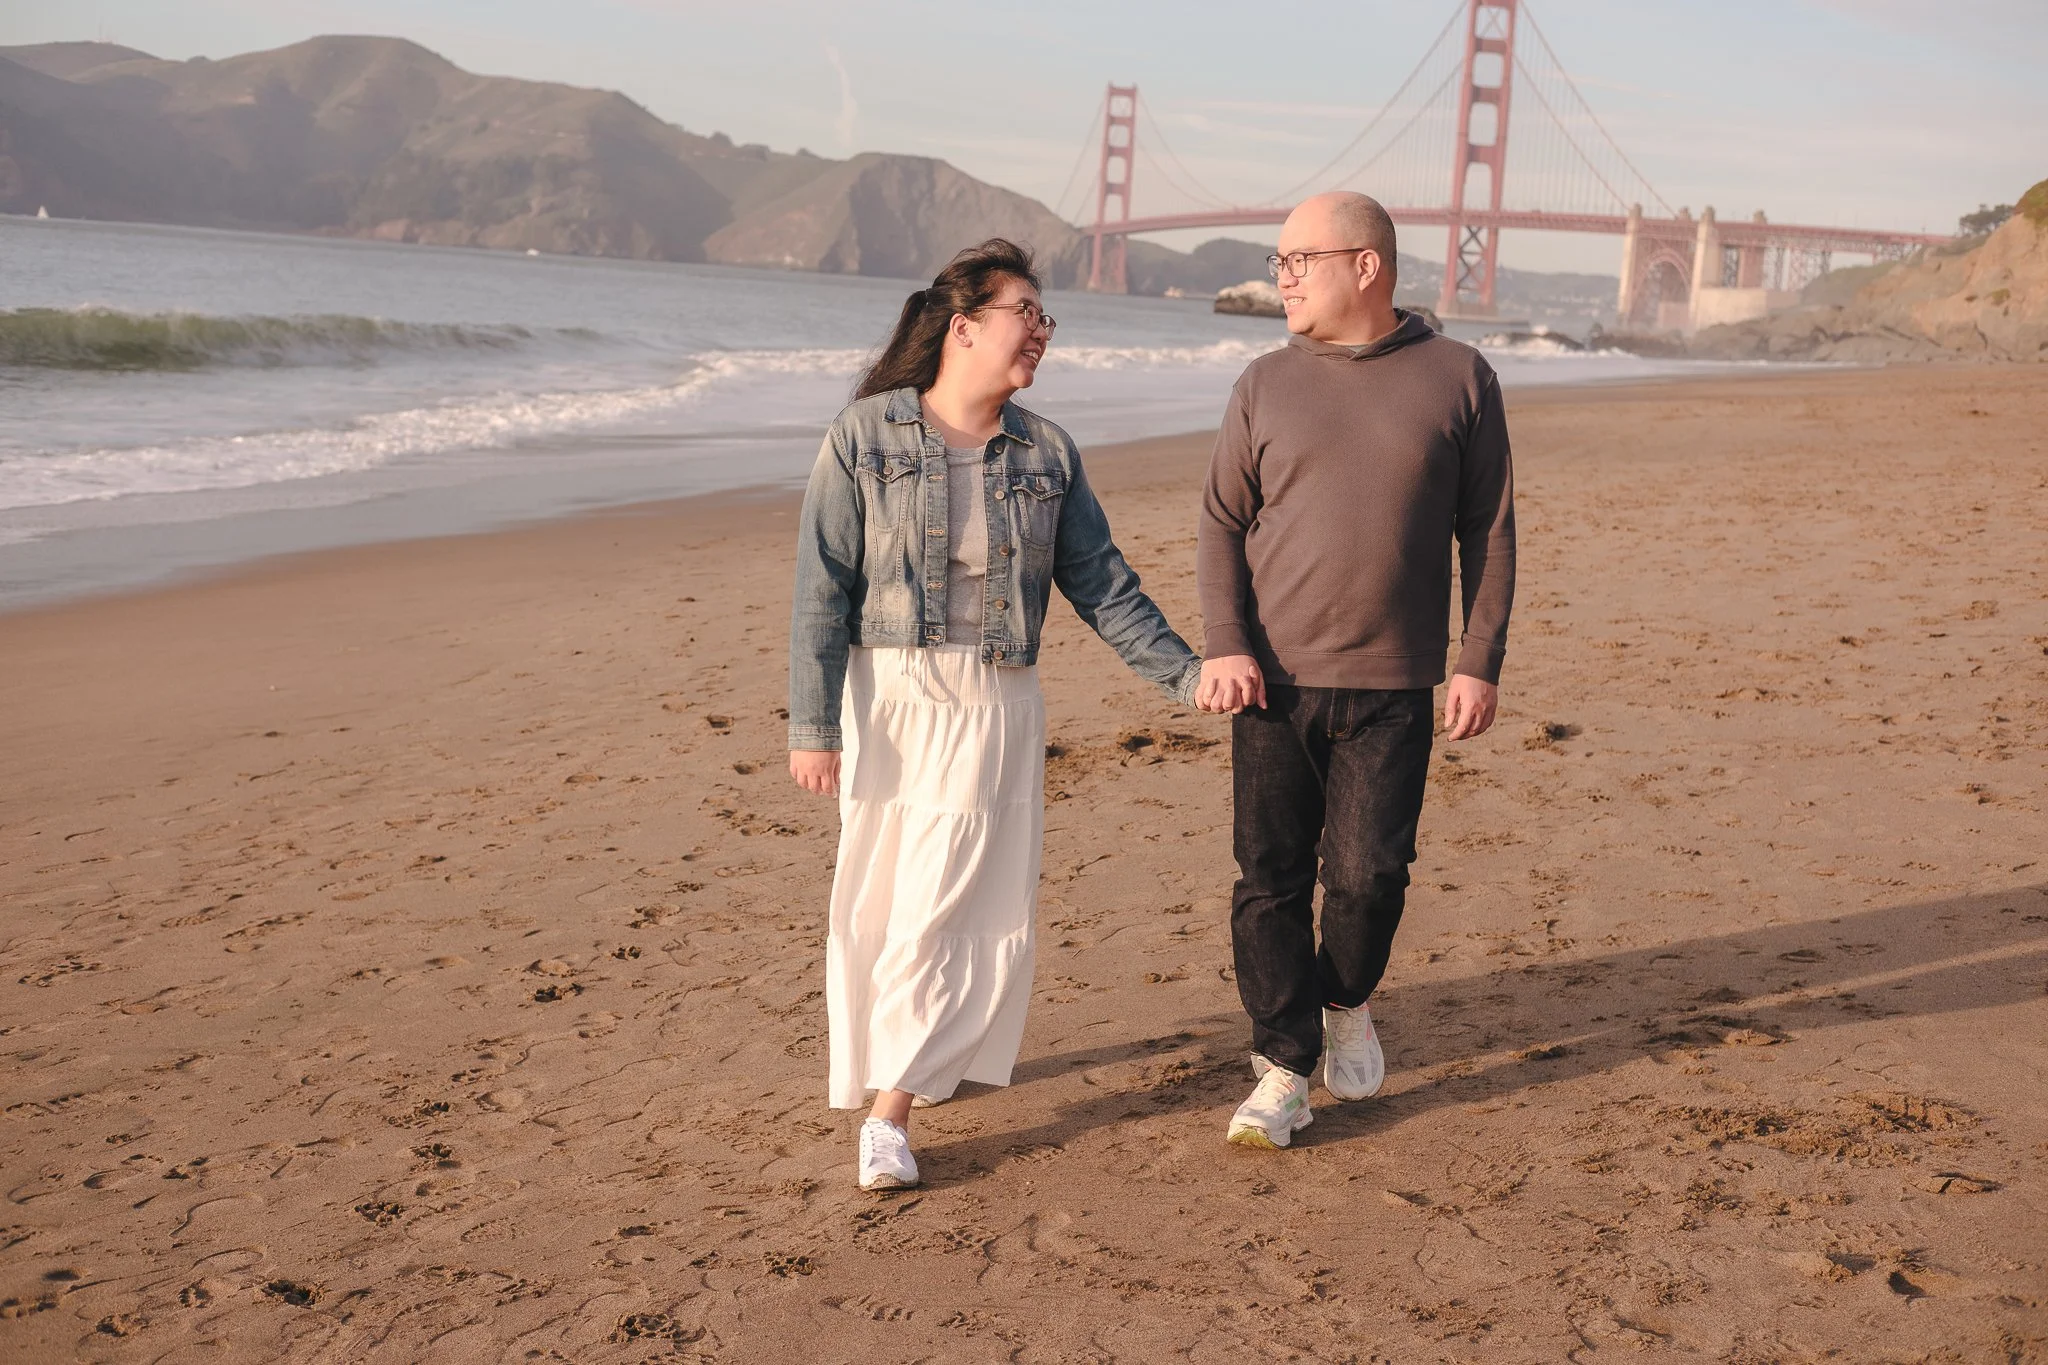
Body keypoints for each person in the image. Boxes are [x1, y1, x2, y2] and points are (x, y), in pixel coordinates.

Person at [788, 239, 1203, 1190]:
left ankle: (890, 1114)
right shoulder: (866, 435)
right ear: (964, 325)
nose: (1042, 333)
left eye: (1045, 317)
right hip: (885, 700)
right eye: (1029, 312)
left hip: (990, 702)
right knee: (889, 898)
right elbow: (823, 587)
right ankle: (916, 1058)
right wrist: (811, 726)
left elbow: (1105, 587)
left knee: (945, 903)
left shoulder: (1047, 451)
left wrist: (1187, 675)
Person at [1195, 192, 1516, 1148]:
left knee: (1371, 875)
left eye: (1297, 262)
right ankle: (1286, 1067)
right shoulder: (1261, 381)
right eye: (1277, 262)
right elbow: (1221, 520)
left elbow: (1487, 531)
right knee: (1270, 879)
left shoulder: (1461, 376)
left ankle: (1346, 1000)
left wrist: (1477, 658)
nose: (1279, 279)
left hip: (1395, 682)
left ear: (1365, 267)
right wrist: (1225, 639)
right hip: (1273, 679)